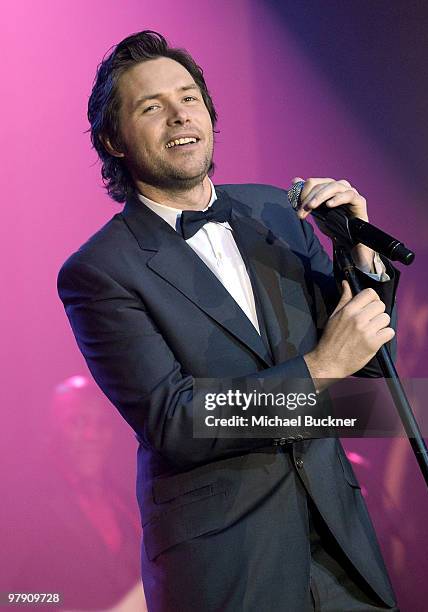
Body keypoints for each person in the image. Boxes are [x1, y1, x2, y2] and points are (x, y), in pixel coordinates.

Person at [58, 30, 400, 612]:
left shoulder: (274, 212)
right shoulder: (99, 271)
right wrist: (318, 371)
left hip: (342, 550)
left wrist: (359, 253)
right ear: (112, 139)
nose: (178, 116)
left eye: (188, 97)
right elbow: (175, 419)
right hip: (229, 566)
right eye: (151, 106)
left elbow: (364, 359)